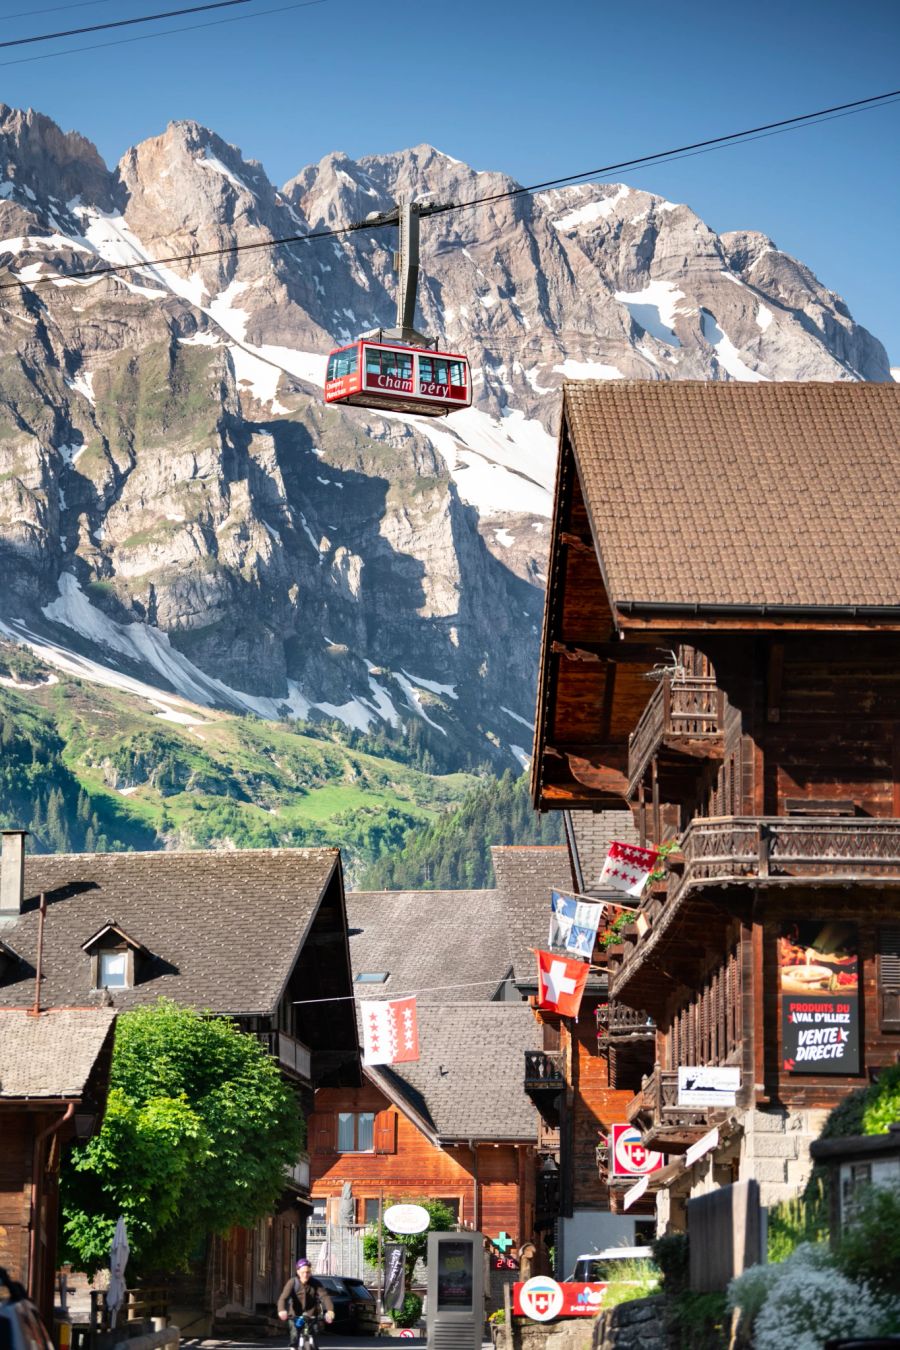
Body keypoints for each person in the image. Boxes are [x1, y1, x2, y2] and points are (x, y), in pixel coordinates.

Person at [277, 1259, 335, 1348]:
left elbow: (325, 1296)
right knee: (294, 1337)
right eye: (303, 1272)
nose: (305, 1275)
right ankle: (293, 1347)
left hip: (311, 1315)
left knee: (314, 1338)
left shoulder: (315, 1283)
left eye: (308, 1272)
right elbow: (283, 1298)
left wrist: (330, 1310)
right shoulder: (292, 1282)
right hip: (295, 1315)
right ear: (298, 1271)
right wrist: (281, 1310)